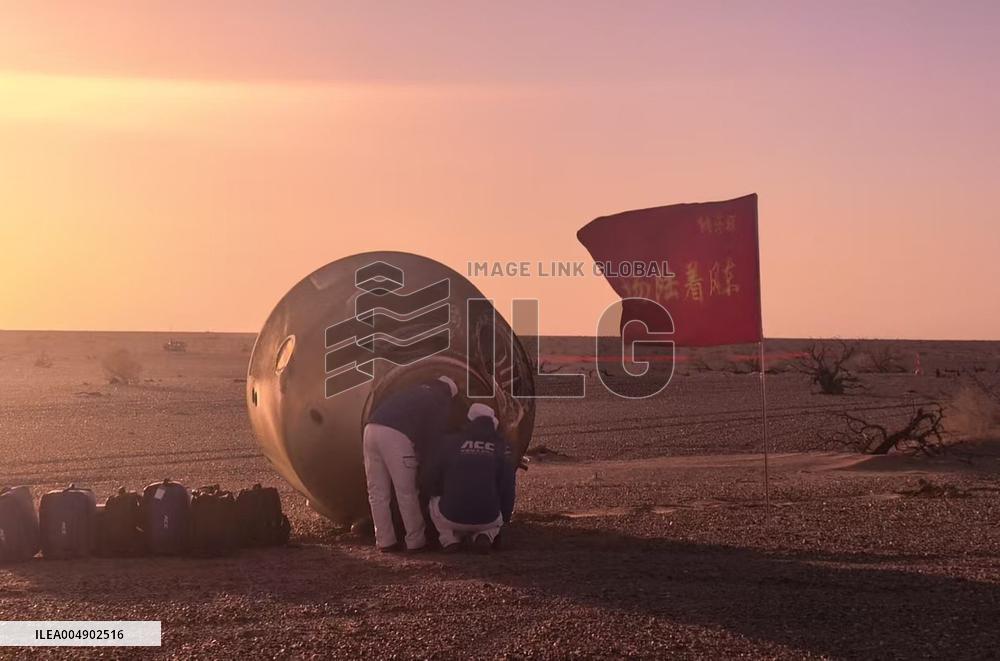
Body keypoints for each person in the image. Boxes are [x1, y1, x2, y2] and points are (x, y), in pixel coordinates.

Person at [363, 375, 458, 552]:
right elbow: (433, 438)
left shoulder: (414, 391)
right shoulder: (440, 399)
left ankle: (385, 541)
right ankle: (416, 541)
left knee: (377, 492)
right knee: (406, 491)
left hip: (370, 430)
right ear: (449, 393)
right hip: (396, 436)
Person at [421, 403, 516, 554]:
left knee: (434, 501)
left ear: (468, 421)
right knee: (493, 519)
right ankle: (486, 535)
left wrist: (434, 492)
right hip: (488, 518)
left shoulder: (448, 442)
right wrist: (504, 518)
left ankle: (449, 540)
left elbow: (431, 475)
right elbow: (507, 486)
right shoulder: (502, 448)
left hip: (450, 516)